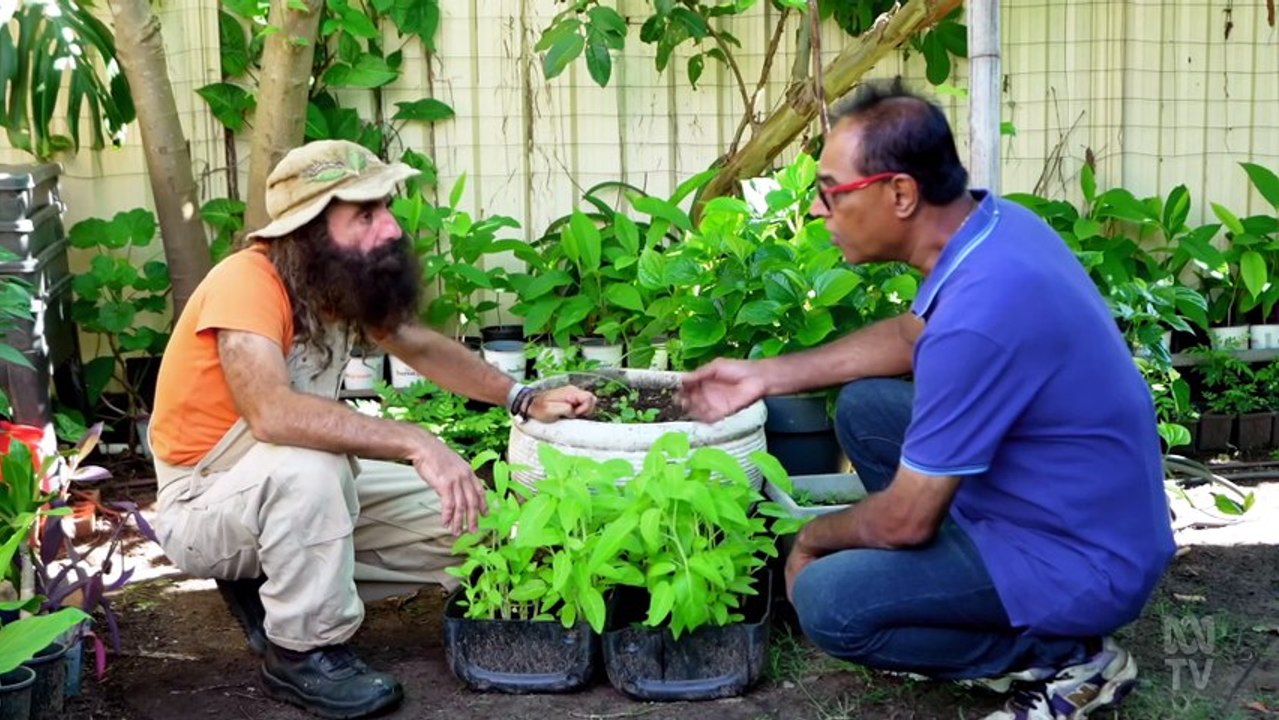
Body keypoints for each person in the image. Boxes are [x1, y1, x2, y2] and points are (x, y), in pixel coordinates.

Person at [680, 80, 1175, 720]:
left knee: (831, 602)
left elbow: (903, 522)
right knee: (866, 408)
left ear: (901, 194)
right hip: (1074, 510)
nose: (820, 211)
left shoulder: (980, 315)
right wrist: (762, 376)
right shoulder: (995, 228)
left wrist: (810, 539)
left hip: (1080, 560)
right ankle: (967, 592)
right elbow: (911, 338)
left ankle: (1064, 656)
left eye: (832, 192)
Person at [149, 140, 595, 719]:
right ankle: (300, 653)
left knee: (474, 523)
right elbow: (272, 414)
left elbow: (416, 344)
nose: (390, 227)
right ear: (310, 229)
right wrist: (416, 441)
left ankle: (281, 581)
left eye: (384, 206)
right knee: (310, 466)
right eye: (365, 214)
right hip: (205, 500)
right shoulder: (246, 281)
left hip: (293, 487)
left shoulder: (329, 280)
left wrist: (521, 396)